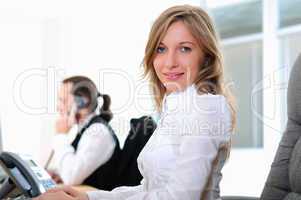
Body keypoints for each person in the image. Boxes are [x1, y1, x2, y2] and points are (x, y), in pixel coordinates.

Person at [36, 4, 236, 200]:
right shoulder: (173, 108)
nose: (169, 62)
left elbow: (180, 196)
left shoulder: (208, 108)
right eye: (161, 49)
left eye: (184, 49)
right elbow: (147, 189)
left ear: (206, 56)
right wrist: (89, 197)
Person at [49, 76, 121, 190]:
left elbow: (71, 177)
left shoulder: (97, 132)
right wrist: (59, 175)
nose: (58, 107)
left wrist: (60, 136)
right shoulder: (85, 129)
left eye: (63, 100)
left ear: (83, 102)